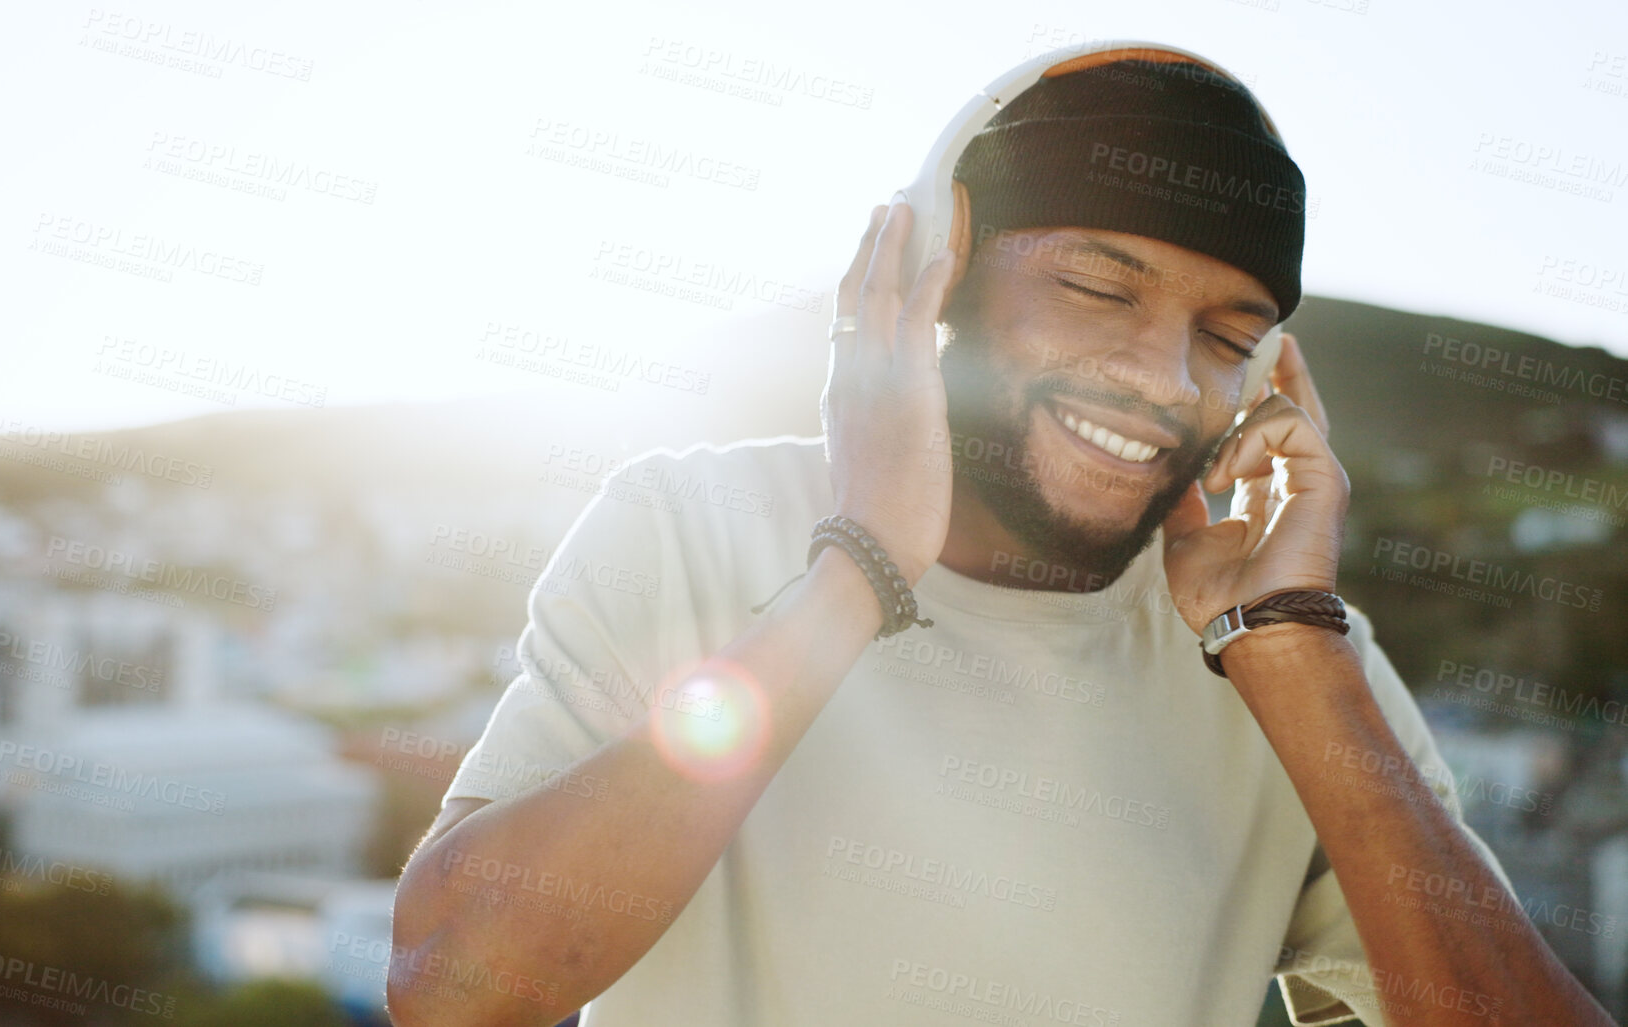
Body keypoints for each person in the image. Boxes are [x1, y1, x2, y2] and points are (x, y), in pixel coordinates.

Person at [388, 42, 1619, 1027]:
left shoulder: (1296, 661)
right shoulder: (693, 526)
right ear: (941, 278)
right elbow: (458, 987)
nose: (1163, 376)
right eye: (1098, 288)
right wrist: (859, 566)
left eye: (1229, 337)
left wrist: (1287, 647)